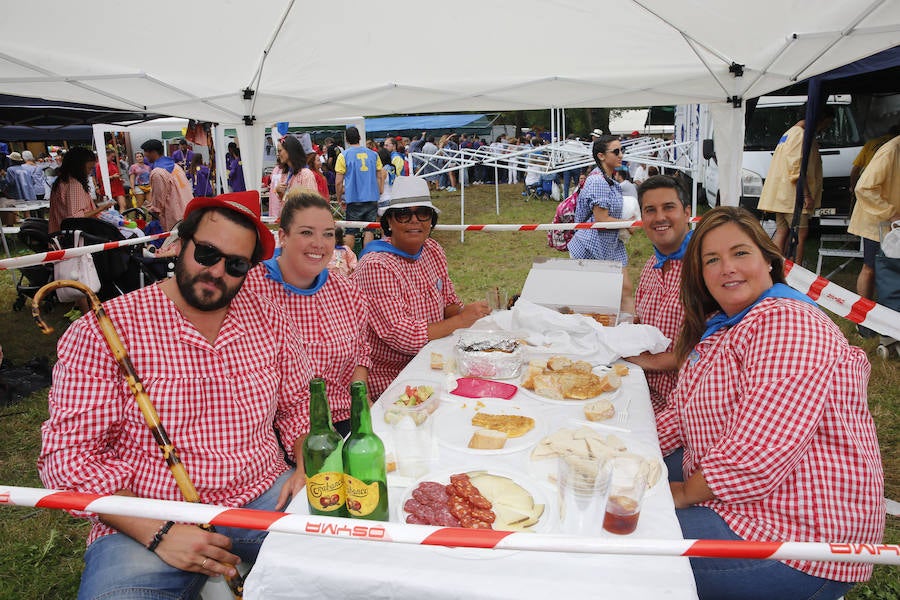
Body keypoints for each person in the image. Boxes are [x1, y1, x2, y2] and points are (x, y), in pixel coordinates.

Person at [39, 190, 314, 598]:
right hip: (147, 510)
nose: (218, 271)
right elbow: (68, 457)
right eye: (206, 254)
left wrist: (307, 463)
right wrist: (158, 532)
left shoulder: (269, 318)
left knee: (355, 564)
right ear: (179, 243)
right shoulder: (103, 330)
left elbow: (300, 408)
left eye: (236, 264)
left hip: (264, 495)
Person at [656, 206, 884, 600]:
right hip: (751, 497)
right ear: (700, 275)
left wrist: (680, 494)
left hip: (801, 538)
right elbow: (680, 414)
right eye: (712, 259)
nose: (726, 267)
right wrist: (617, 449)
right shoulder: (727, 327)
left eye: (740, 253)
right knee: (614, 486)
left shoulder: (786, 321)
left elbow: (757, 455)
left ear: (769, 261)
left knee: (628, 538)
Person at [243, 190, 369, 437]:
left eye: (328, 234)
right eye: (306, 232)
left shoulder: (345, 290)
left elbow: (361, 353)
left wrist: (362, 407)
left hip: (341, 420)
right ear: (283, 237)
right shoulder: (250, 288)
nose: (319, 244)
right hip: (272, 433)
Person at [351, 176, 489, 397]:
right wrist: (461, 320)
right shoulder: (376, 265)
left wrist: (468, 313)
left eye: (422, 213)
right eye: (404, 214)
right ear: (389, 222)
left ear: (431, 221)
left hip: (434, 359)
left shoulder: (432, 249)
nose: (414, 221)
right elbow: (403, 336)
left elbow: (449, 302)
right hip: (393, 378)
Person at [625, 175, 692, 414]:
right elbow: (644, 322)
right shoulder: (651, 265)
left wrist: (648, 361)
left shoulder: (704, 268)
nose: (659, 217)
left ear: (687, 212)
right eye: (650, 210)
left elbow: (706, 349)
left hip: (681, 406)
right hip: (643, 392)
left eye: (668, 208)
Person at [757, 106, 835, 264]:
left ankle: (776, 268)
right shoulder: (800, 135)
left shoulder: (789, 133)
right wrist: (806, 194)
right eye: (826, 123)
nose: (825, 127)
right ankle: (797, 270)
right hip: (794, 197)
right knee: (800, 234)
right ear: (818, 119)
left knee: (782, 232)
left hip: (782, 196)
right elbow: (797, 168)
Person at [567, 135, 635, 313]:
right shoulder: (598, 181)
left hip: (610, 244)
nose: (621, 155)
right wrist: (628, 223)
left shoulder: (609, 180)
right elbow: (602, 220)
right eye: (616, 151)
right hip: (591, 246)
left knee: (625, 289)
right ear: (601, 156)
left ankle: (629, 329)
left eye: (622, 150)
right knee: (595, 301)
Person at [848, 133, 900, 304]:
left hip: (892, 222)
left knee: (890, 268)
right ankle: (863, 317)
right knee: (870, 268)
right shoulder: (891, 150)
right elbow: (864, 187)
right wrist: (891, 213)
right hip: (875, 220)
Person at [335, 126, 384, 249]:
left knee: (350, 231)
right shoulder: (374, 154)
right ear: (360, 138)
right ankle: (366, 257)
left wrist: (339, 197)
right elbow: (379, 175)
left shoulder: (343, 156)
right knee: (370, 230)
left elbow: (338, 182)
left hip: (354, 198)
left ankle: (348, 261)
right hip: (372, 196)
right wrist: (379, 190)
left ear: (346, 139)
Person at [47, 146, 113, 233]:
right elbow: (76, 218)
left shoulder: (62, 181)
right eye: (89, 168)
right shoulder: (74, 185)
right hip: (75, 238)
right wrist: (101, 208)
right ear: (78, 166)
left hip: (60, 234)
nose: (89, 172)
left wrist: (96, 206)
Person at [140, 139, 192, 230]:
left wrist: (153, 212)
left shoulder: (158, 172)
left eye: (145, 152)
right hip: (189, 210)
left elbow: (158, 201)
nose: (144, 155)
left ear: (153, 152)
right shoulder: (176, 166)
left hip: (175, 216)